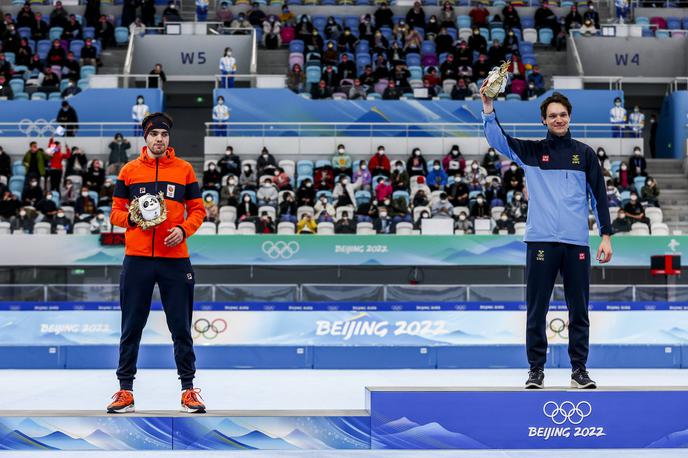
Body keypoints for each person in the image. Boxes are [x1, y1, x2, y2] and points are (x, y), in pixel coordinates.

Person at [481, 87, 612, 390]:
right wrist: (488, 108)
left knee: (579, 309)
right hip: (540, 241)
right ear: (543, 120)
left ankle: (579, 370)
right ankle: (535, 370)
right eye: (552, 115)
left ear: (569, 118)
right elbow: (499, 140)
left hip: (576, 243)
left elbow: (599, 198)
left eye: (562, 115)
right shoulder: (531, 152)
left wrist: (606, 234)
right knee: (536, 308)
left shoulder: (585, 154)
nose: (558, 119)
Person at [108, 112, 206, 414]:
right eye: (154, 135)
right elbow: (115, 213)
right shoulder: (129, 171)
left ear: (169, 138)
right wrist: (133, 220)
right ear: (146, 138)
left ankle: (188, 390)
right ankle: (125, 391)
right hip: (137, 260)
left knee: (180, 327)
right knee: (131, 326)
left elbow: (199, 210)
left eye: (163, 134)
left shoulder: (185, 170)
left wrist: (183, 229)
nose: (159, 139)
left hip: (175, 260)